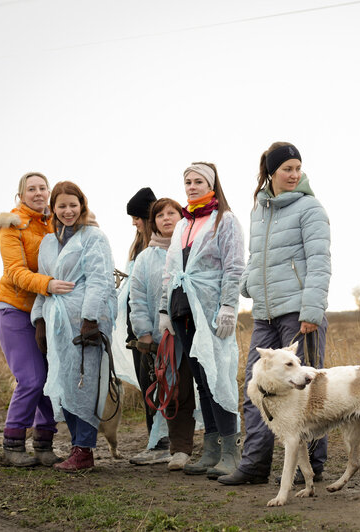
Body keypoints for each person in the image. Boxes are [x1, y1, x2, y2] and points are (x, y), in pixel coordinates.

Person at [217, 142, 331, 486]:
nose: (294, 174)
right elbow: (255, 256)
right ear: (271, 172)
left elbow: (319, 262)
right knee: (258, 388)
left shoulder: (310, 209)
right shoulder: (260, 210)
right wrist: (249, 283)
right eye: (287, 169)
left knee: (307, 390)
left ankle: (310, 465)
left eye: (297, 168)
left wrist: (312, 310)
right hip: (265, 314)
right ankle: (254, 464)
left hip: (299, 313)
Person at [159, 162, 244, 479]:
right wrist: (164, 310)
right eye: (187, 182)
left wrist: (228, 306)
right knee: (201, 382)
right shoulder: (183, 225)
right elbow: (170, 269)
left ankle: (230, 452)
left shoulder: (225, 220)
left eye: (198, 182)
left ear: (211, 185)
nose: (191, 187)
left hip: (210, 310)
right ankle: (210, 448)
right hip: (183, 311)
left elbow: (234, 266)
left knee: (218, 376)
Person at [31, 181, 118, 472]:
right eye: (61, 206)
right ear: (52, 209)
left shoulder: (93, 237)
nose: (68, 211)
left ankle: (85, 450)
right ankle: (76, 447)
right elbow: (44, 284)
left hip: (84, 325)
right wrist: (40, 320)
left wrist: (90, 318)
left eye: (73, 204)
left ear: (82, 204)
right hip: (57, 324)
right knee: (64, 384)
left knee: (85, 383)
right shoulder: (48, 242)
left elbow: (100, 279)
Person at [0, 172, 75, 467]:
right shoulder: (12, 226)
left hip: (46, 313)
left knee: (50, 379)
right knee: (32, 379)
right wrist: (48, 284)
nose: (38, 193)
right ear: (21, 195)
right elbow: (14, 271)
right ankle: (12, 445)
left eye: (43, 188)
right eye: (31, 189)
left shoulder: (54, 223)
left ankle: (44, 445)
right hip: (14, 309)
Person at [129, 197, 189, 470]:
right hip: (157, 337)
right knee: (161, 388)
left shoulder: (192, 247)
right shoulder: (145, 257)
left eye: (172, 213)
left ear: (181, 216)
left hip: (189, 333)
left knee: (190, 389)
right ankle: (166, 446)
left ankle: (210, 441)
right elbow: (138, 296)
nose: (167, 218)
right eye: (160, 214)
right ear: (153, 222)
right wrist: (144, 333)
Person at [124, 187, 172, 466]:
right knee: (148, 384)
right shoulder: (139, 247)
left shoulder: (155, 248)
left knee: (160, 384)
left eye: (136, 217)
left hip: (159, 327)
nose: (134, 223)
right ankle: (155, 439)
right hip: (139, 327)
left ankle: (163, 442)